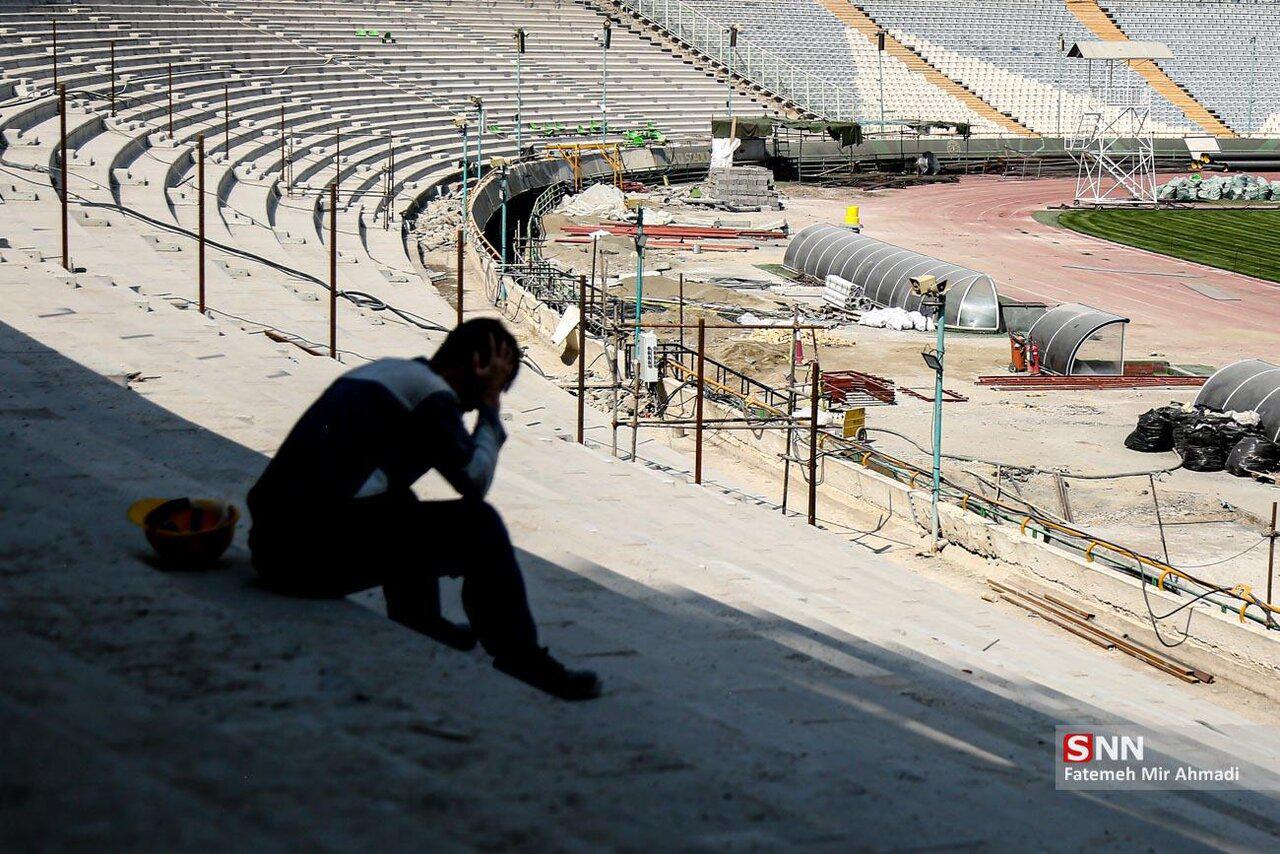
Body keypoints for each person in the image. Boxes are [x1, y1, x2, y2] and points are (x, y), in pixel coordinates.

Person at [247, 318, 601, 701]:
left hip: (274, 547)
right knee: (478, 526)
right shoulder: (431, 396)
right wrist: (491, 410)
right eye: (497, 381)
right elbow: (473, 480)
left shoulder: (392, 373)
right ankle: (522, 658)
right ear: (478, 368)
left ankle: (422, 620)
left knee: (400, 503)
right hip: (304, 560)